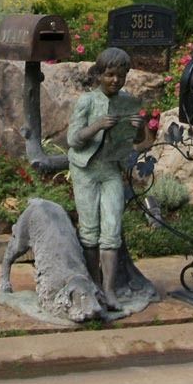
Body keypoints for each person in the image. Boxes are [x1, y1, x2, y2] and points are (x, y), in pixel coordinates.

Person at [67, 47, 153, 308]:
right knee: (90, 229)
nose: (115, 80)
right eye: (110, 75)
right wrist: (97, 126)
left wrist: (139, 131)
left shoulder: (127, 101)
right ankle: (94, 285)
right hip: (86, 170)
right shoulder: (87, 101)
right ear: (100, 75)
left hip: (111, 171)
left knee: (112, 228)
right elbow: (73, 139)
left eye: (120, 76)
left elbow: (140, 143)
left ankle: (110, 289)